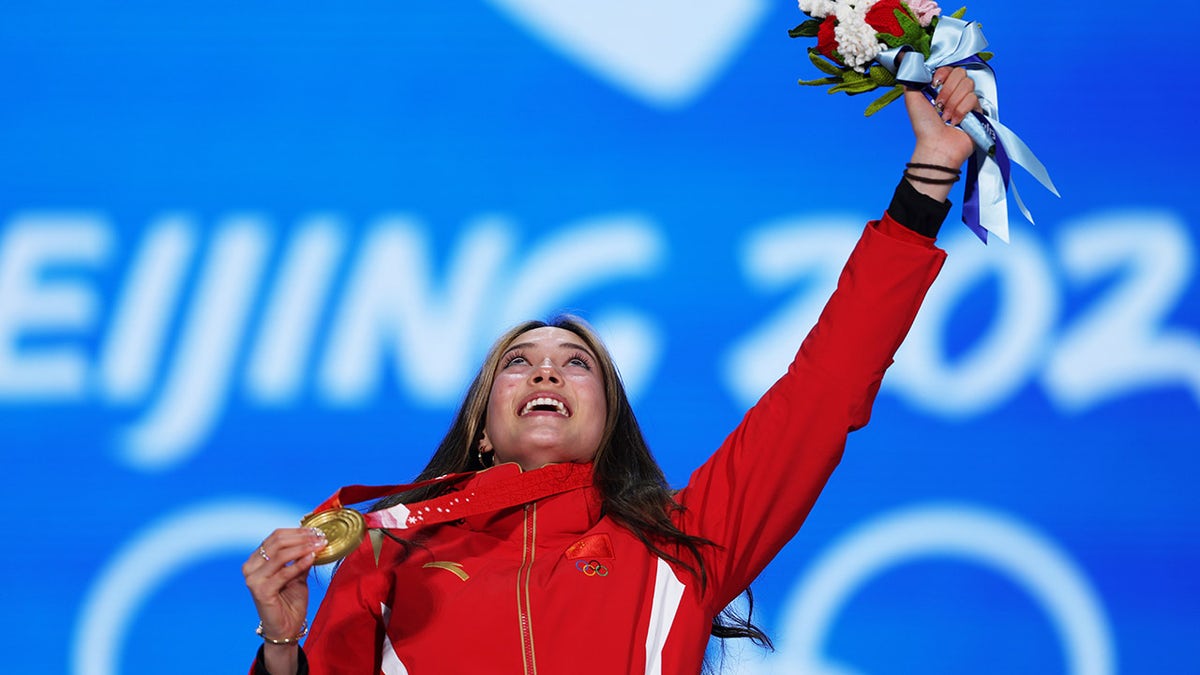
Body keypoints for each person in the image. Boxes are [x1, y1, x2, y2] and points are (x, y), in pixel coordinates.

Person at [243, 66, 981, 675]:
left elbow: (823, 391)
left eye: (575, 364)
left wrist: (928, 177)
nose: (546, 374)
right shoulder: (390, 546)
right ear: (485, 428)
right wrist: (282, 644)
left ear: (610, 422)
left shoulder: (683, 541)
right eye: (518, 363)